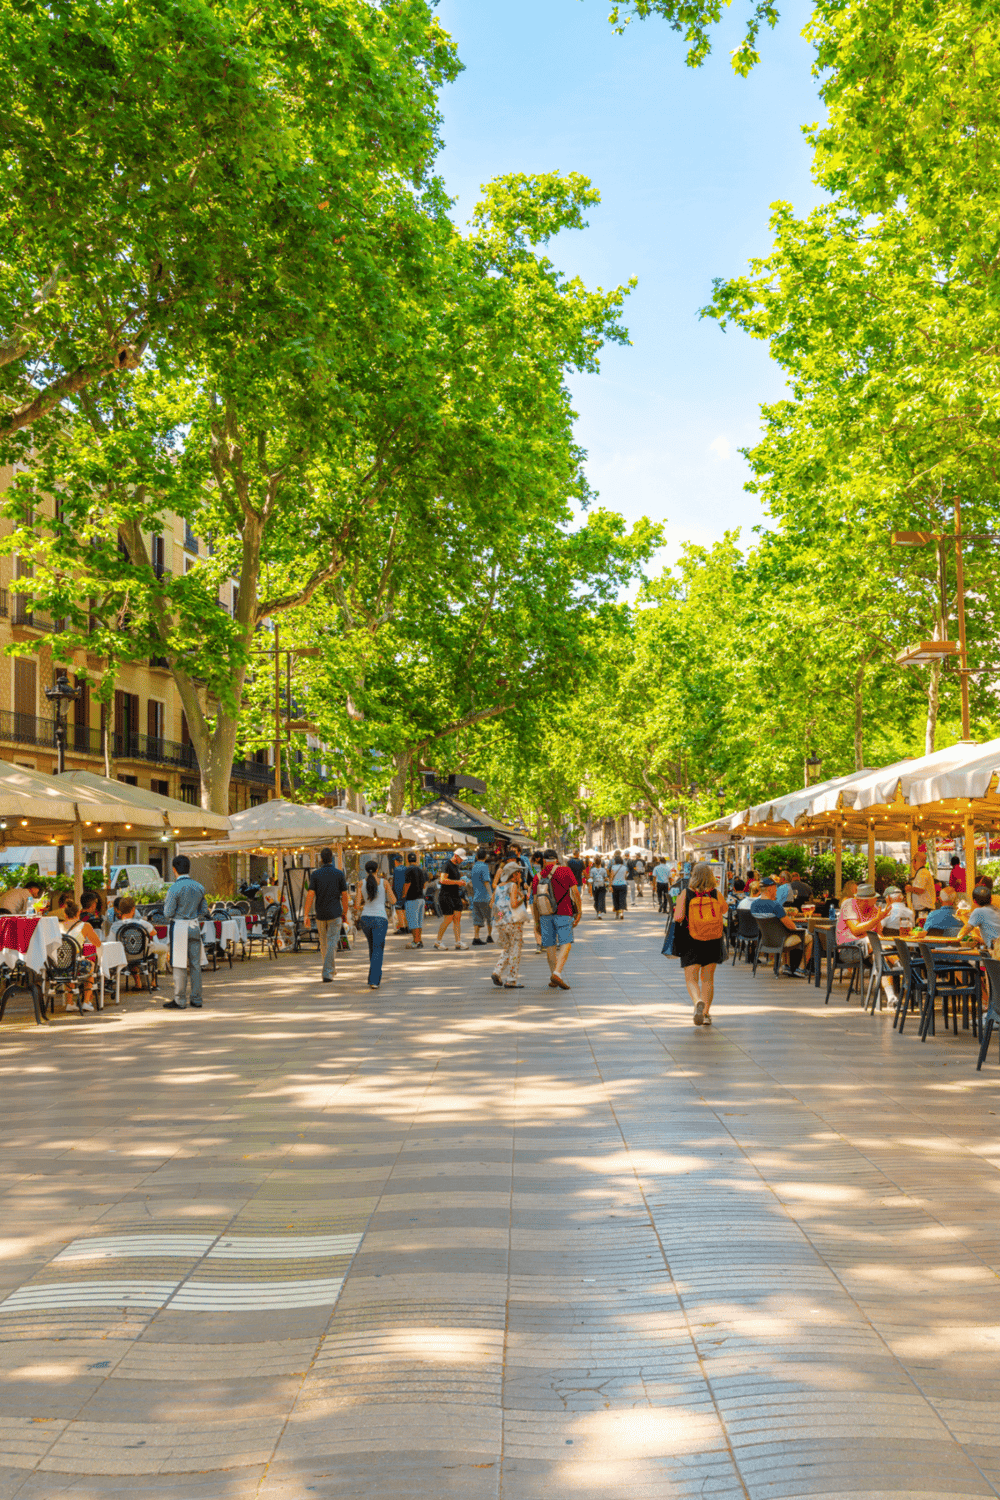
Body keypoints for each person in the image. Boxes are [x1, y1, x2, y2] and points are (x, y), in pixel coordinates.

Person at [672, 860, 726, 1026]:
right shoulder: (716, 894)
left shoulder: (685, 894)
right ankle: (706, 1013)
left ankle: (697, 1002)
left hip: (691, 940)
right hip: (713, 939)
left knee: (691, 978)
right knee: (708, 978)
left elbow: (678, 917)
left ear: (693, 876)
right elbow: (724, 910)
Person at [162, 855, 210, 1010]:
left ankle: (180, 999)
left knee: (179, 964)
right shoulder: (199, 887)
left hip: (180, 928)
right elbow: (204, 910)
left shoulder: (173, 888)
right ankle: (196, 998)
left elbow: (168, 913)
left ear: (174, 869)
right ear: (189, 868)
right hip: (194, 926)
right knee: (196, 964)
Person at [532, 848, 581, 990]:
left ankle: (553, 976)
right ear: (557, 859)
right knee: (566, 943)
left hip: (545, 914)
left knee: (550, 946)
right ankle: (557, 973)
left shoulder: (538, 876)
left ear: (543, 860)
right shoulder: (565, 871)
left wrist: (536, 922)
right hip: (564, 912)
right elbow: (575, 892)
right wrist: (579, 911)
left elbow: (535, 902)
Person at [301, 847, 349, 983]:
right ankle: (328, 971)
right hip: (335, 913)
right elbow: (344, 895)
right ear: (332, 858)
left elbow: (310, 894)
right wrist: (345, 911)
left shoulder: (315, 874)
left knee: (324, 944)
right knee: (332, 943)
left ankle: (328, 970)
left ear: (320, 859)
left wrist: (305, 914)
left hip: (320, 913)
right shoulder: (339, 874)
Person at [751, 874, 812, 976]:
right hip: (781, 941)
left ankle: (785, 966)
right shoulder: (776, 906)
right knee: (810, 936)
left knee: (782, 931)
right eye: (775, 888)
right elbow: (791, 926)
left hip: (766, 941)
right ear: (770, 889)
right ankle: (801, 968)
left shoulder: (754, 905)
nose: (777, 891)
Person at [60, 898, 102, 1012]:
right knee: (91, 966)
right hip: (75, 964)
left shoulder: (58, 926)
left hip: (57, 966)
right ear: (79, 913)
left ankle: (69, 1002)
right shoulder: (84, 925)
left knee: (69, 965)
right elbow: (97, 943)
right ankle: (86, 1002)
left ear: (65, 914)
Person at [354, 859, 391, 988]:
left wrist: (367, 902)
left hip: (365, 919)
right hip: (380, 919)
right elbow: (393, 900)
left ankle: (374, 975)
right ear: (377, 870)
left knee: (373, 948)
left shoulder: (361, 883)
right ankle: (374, 980)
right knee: (377, 950)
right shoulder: (384, 882)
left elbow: (357, 905)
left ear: (365, 870)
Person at [110, 895, 170, 971]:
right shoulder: (143, 924)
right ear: (133, 909)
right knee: (165, 948)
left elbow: (111, 942)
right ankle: (159, 970)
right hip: (142, 954)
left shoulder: (114, 926)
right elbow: (154, 933)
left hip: (124, 955)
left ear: (120, 910)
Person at [491, 861, 526, 988]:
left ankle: (497, 971)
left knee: (507, 949)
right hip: (513, 922)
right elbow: (513, 904)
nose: (520, 875)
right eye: (519, 872)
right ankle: (511, 979)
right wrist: (524, 898)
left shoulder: (499, 886)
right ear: (514, 874)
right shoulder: (513, 886)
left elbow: (492, 904)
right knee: (515, 949)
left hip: (501, 923)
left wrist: (499, 919)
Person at [835, 883, 888, 956]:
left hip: (870, 948)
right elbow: (855, 930)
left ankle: (896, 965)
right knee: (874, 943)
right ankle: (898, 964)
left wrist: (878, 920)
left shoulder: (874, 909)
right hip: (848, 948)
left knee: (879, 950)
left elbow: (879, 934)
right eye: (874, 897)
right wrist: (876, 920)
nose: (877, 899)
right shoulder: (849, 904)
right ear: (865, 900)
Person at [434, 851, 469, 951]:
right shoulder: (446, 865)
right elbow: (442, 880)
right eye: (461, 858)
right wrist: (457, 882)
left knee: (457, 918)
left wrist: (461, 882)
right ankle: (438, 941)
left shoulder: (456, 866)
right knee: (448, 919)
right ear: (456, 856)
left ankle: (458, 942)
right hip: (446, 895)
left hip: (455, 895)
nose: (462, 860)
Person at [958, 884, 1000, 952]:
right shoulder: (997, 910)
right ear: (991, 899)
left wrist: (957, 939)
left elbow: (966, 929)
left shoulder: (979, 911)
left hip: (996, 952)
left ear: (974, 901)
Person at [469, 847, 495, 946]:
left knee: (477, 918)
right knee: (490, 917)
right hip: (485, 897)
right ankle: (490, 936)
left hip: (476, 898)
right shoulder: (484, 866)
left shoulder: (474, 867)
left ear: (476, 856)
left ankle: (476, 937)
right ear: (486, 857)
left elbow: (472, 883)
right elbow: (486, 882)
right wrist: (491, 895)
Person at [401, 854, 427, 949]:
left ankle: (415, 942)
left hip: (412, 899)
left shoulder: (408, 870)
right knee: (419, 922)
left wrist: (403, 894)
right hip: (421, 898)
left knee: (413, 922)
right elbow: (424, 885)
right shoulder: (420, 870)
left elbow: (407, 883)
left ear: (407, 860)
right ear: (416, 860)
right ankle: (419, 940)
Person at [905, 850, 936, 917]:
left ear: (914, 861)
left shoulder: (922, 872)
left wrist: (909, 888)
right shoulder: (922, 872)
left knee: (921, 927)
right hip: (924, 908)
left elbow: (920, 890)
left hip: (924, 909)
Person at [391, 856, 409, 934]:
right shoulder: (406, 869)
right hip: (407, 892)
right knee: (405, 910)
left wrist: (393, 892)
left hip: (399, 892)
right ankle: (408, 927)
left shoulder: (396, 869)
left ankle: (402, 927)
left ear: (396, 861)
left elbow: (395, 883)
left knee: (399, 910)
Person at [608, 851, 628, 919]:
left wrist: (610, 885)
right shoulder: (624, 867)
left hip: (615, 885)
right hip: (623, 884)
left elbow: (611, 877)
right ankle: (622, 913)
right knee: (622, 899)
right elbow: (625, 876)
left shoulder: (613, 867)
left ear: (615, 861)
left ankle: (617, 913)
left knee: (615, 899)